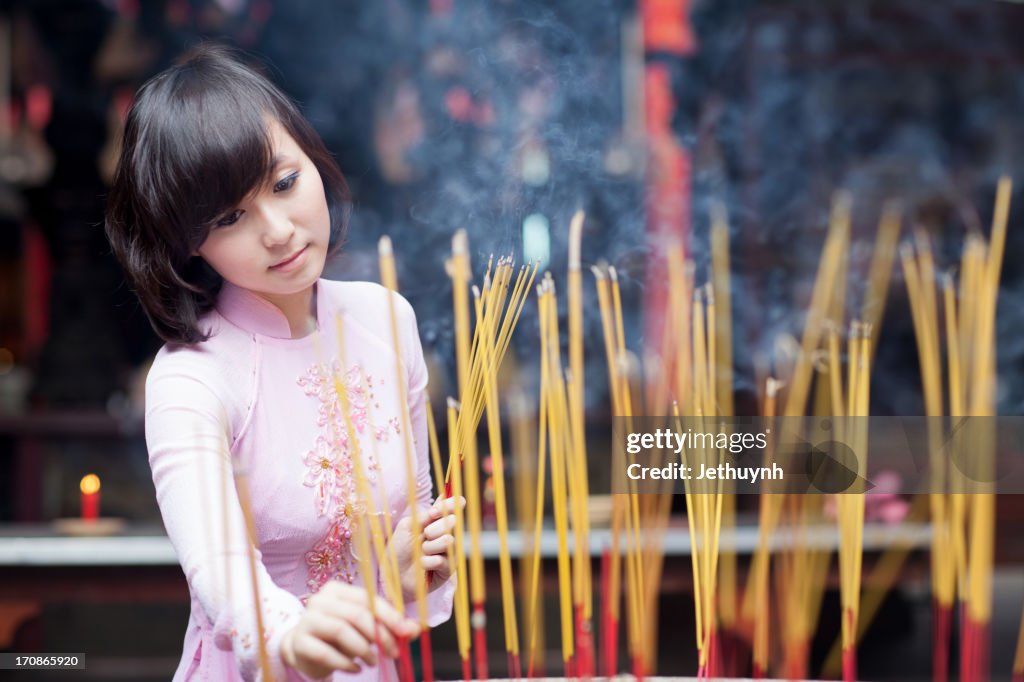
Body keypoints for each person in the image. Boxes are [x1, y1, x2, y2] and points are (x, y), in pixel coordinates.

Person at [104, 43, 460, 681]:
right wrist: (288, 638)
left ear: (313, 158)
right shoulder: (193, 377)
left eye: (285, 182)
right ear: (190, 244)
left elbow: (411, 527)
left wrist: (408, 575)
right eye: (230, 216)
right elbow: (217, 565)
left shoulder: (386, 321)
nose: (277, 229)